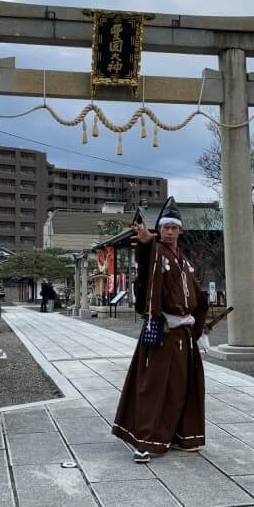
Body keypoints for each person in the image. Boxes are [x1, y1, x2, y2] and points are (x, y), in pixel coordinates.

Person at [111, 197, 209, 463]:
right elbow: (145, 270)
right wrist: (145, 243)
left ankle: (179, 435)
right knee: (153, 386)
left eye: (174, 228)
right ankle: (144, 441)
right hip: (163, 329)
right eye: (165, 227)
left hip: (184, 334)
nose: (169, 231)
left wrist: (200, 327)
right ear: (160, 230)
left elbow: (197, 297)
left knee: (182, 387)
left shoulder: (184, 261)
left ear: (180, 230)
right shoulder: (156, 253)